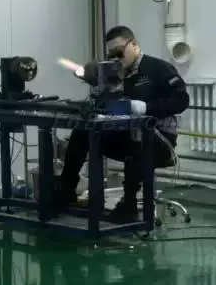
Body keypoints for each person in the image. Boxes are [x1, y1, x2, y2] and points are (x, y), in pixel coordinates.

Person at [58, 26, 190, 223]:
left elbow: (182, 100)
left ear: (134, 45)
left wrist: (145, 107)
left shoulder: (158, 68)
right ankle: (65, 190)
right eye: (111, 54)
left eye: (119, 52)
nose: (116, 58)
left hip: (159, 140)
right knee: (83, 132)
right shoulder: (115, 74)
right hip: (125, 135)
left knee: (137, 139)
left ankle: (129, 204)